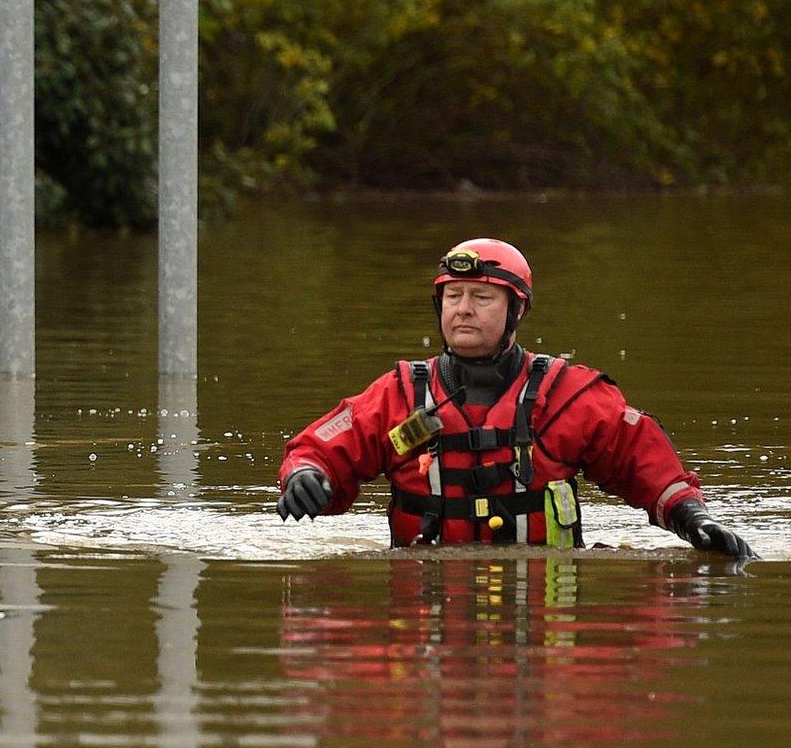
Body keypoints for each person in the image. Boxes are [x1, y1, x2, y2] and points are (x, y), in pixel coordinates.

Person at [276, 238, 753, 559]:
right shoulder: (399, 396)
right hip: (428, 616)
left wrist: (693, 519)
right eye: (453, 296)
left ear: (516, 310)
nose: (463, 310)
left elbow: (645, 463)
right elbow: (322, 445)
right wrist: (305, 475)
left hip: (542, 619)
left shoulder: (569, 396)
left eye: (482, 298)